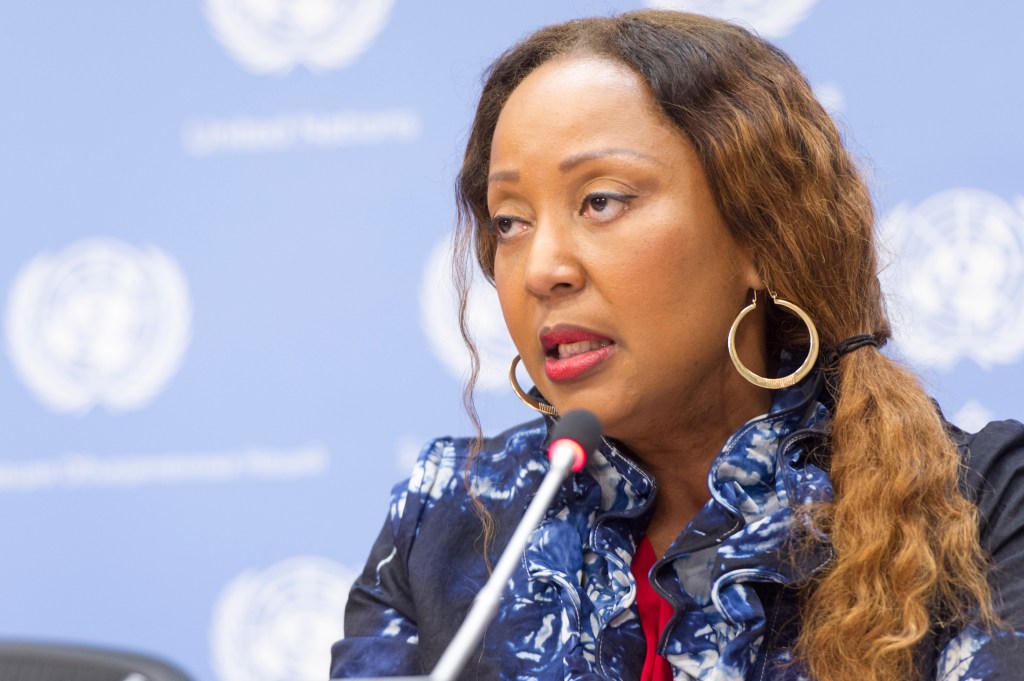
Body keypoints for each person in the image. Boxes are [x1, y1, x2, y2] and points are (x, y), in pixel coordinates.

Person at [330, 9, 1024, 681]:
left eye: (601, 200)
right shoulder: (448, 517)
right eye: (509, 221)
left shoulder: (980, 503)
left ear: (759, 234)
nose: (541, 269)